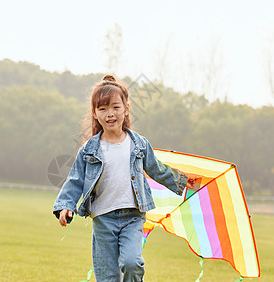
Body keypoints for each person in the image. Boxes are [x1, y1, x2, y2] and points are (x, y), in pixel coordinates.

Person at [53, 74, 196, 282]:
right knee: (108, 277)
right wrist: (66, 205)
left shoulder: (138, 144)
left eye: (115, 107)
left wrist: (184, 182)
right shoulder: (89, 149)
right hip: (103, 219)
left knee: (131, 263)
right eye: (102, 109)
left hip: (133, 217)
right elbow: (75, 180)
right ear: (94, 113)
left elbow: (157, 170)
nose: (109, 114)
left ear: (126, 108)